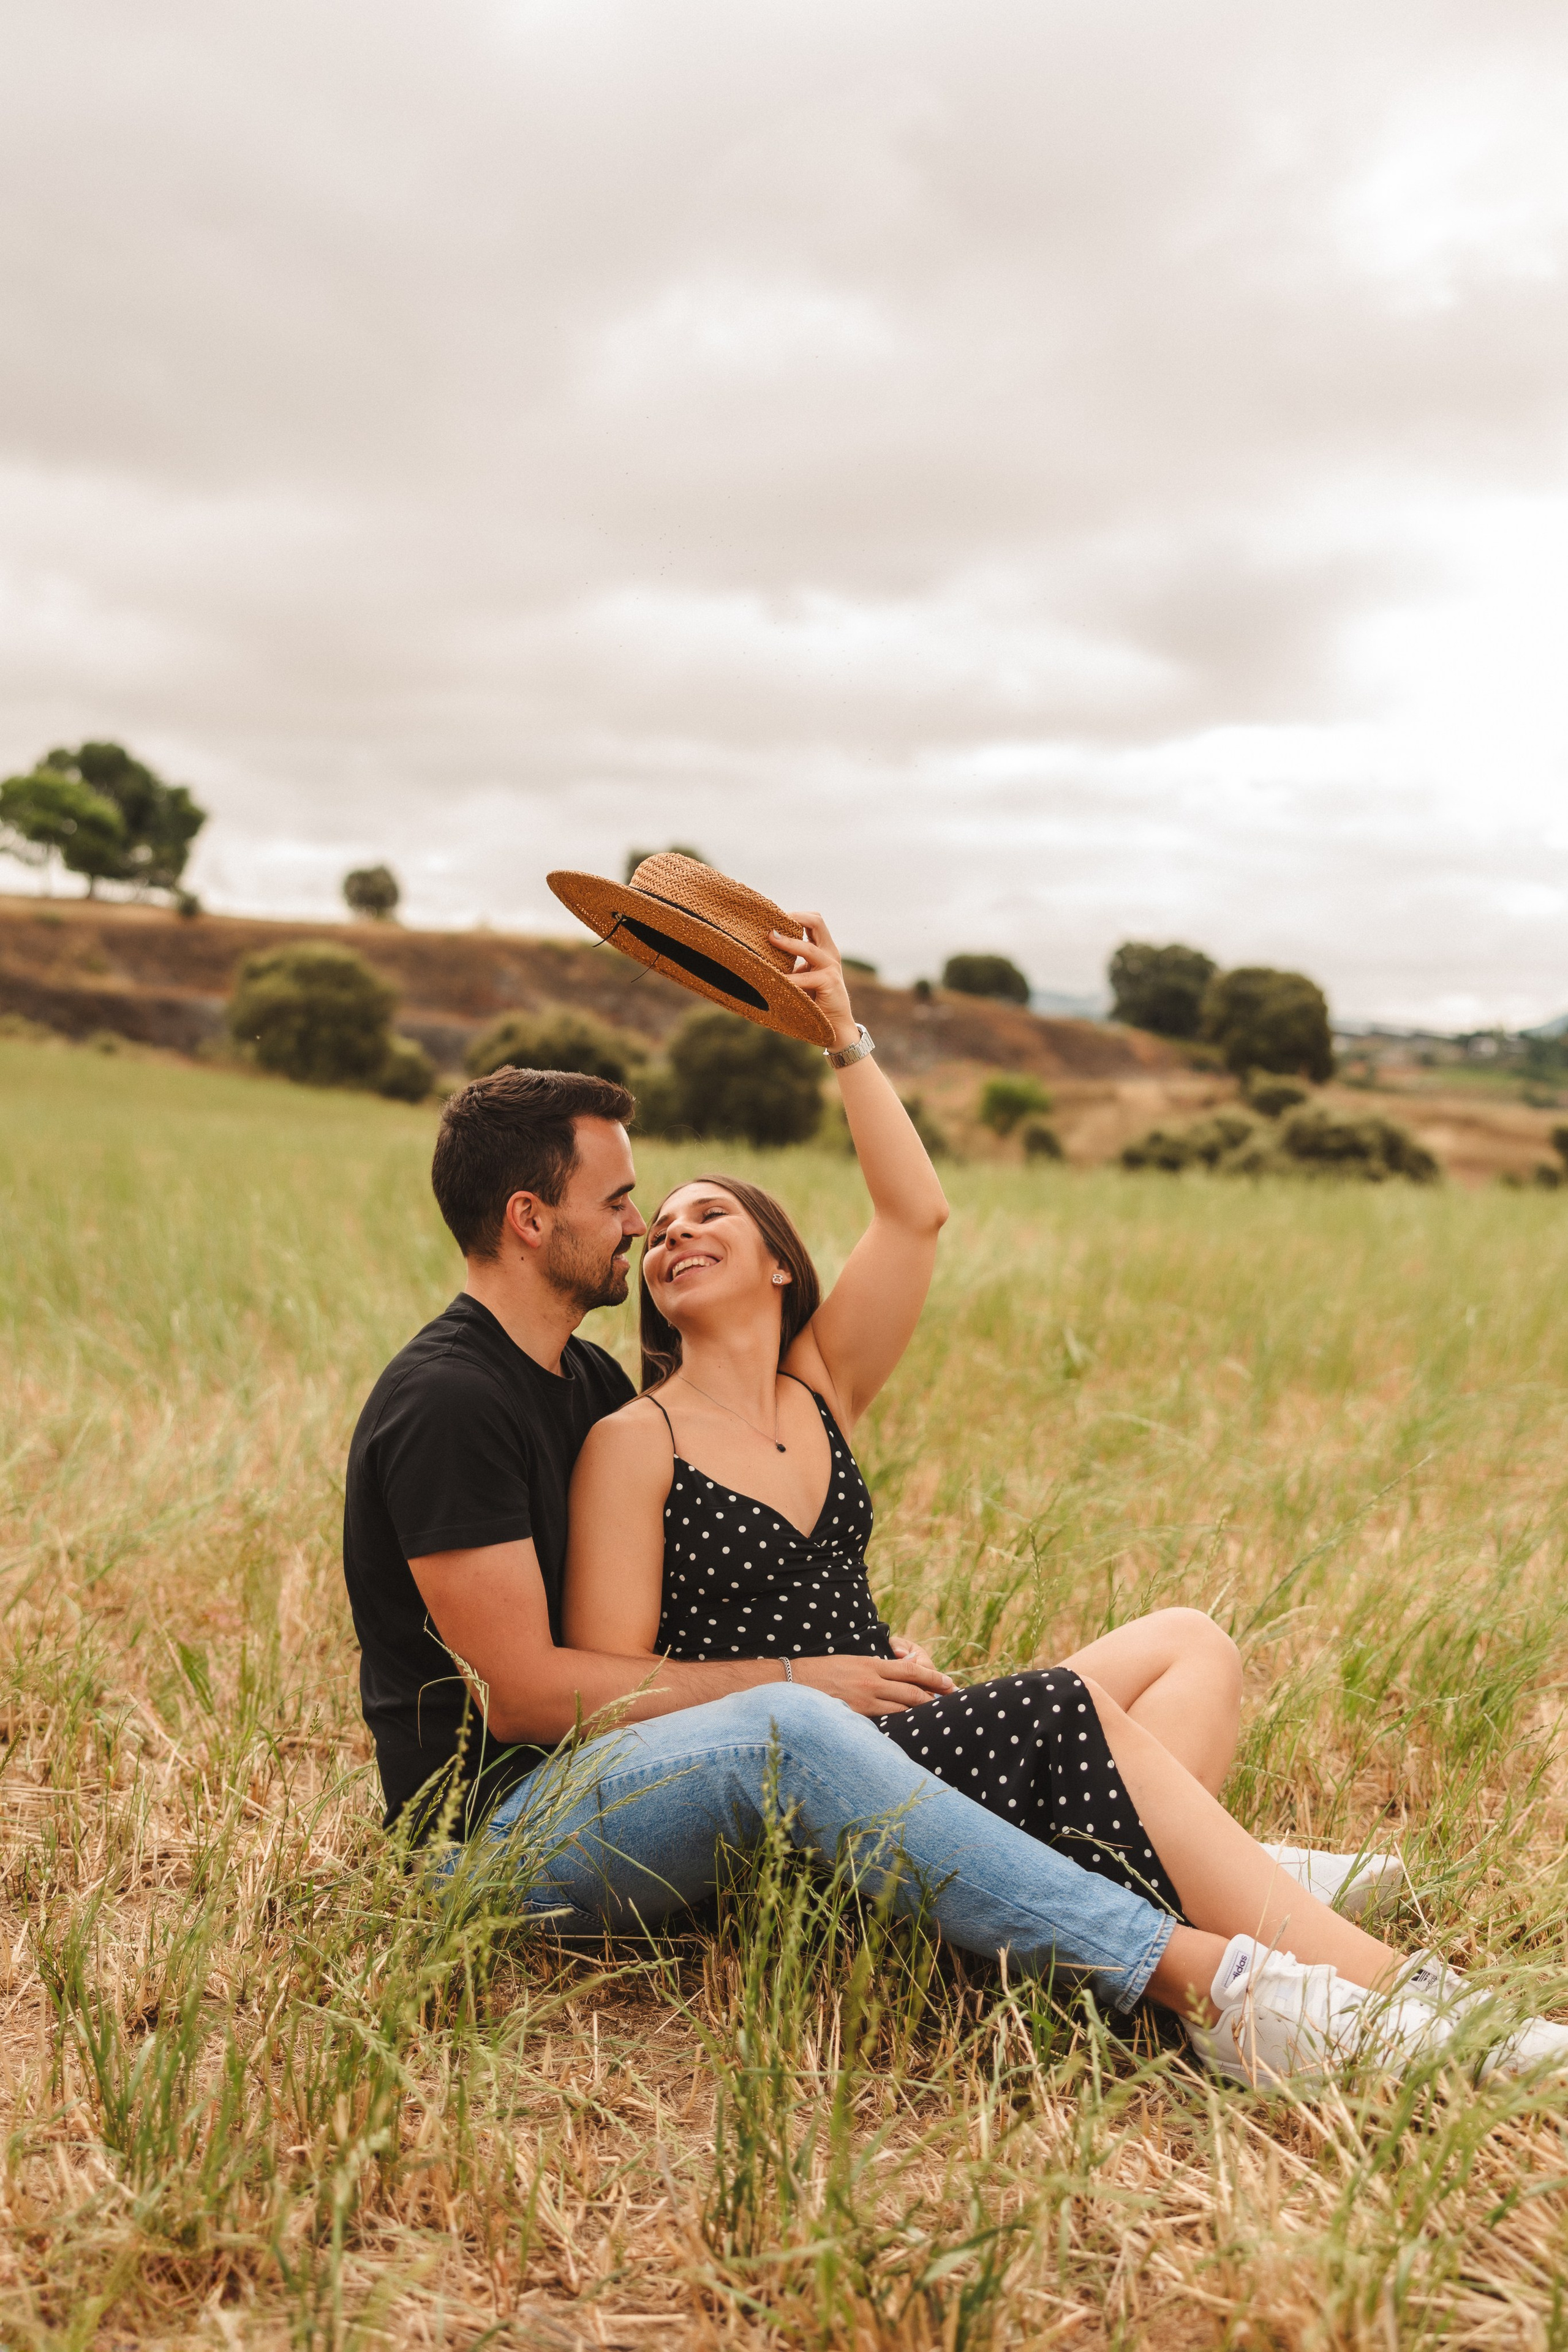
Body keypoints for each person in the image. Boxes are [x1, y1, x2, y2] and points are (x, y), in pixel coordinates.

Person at [342, 909, 1566, 2089]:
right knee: (903, 1725)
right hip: (503, 1837)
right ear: (527, 1216)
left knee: (1176, 1648)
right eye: (623, 1207)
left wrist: (841, 1035)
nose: (641, 1230)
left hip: (759, 1762)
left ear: (778, 1261)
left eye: (682, 1212)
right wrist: (803, 1680)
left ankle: (1194, 1878)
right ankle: (1262, 1984)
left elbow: (913, 1214)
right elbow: (529, 1696)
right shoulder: (488, 1407)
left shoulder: (588, 1377)